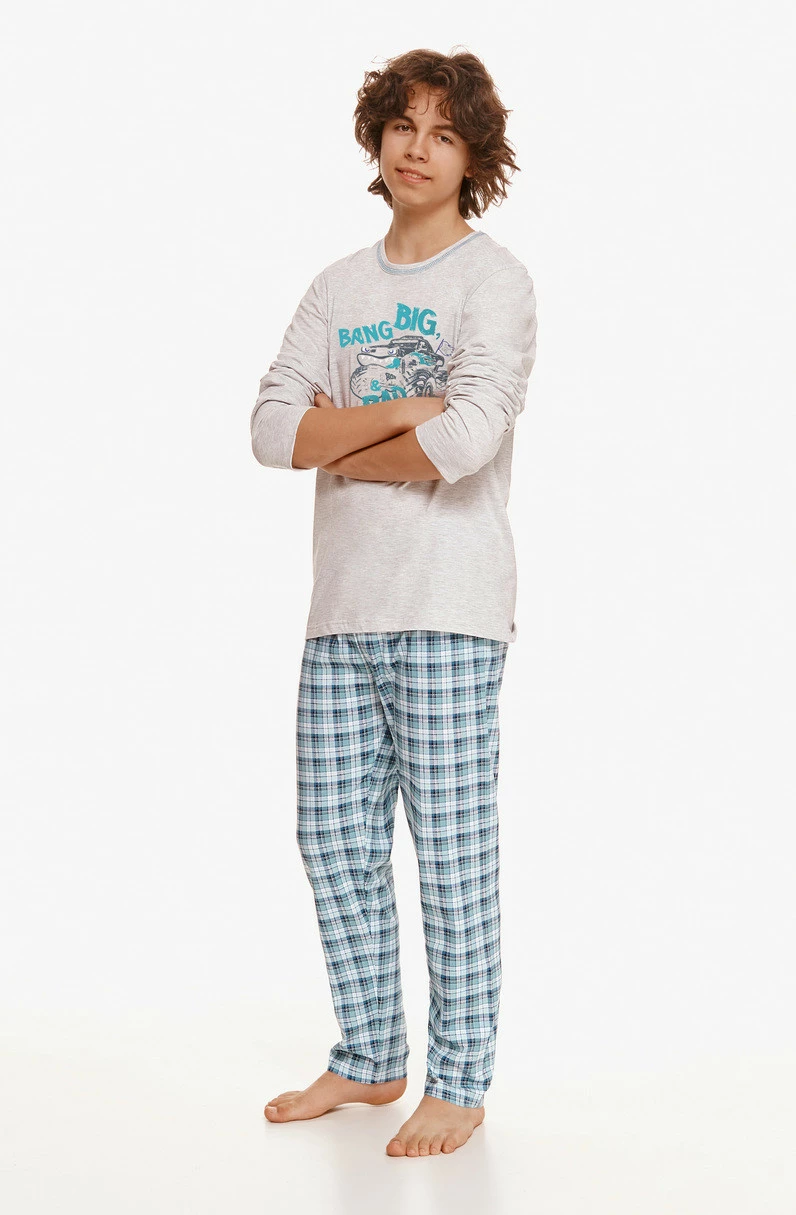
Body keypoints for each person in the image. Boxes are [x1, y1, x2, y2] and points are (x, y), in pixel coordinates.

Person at [251, 47, 538, 1158]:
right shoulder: (337, 287)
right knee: (332, 842)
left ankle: (458, 1083)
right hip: (341, 612)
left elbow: (469, 439)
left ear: (473, 158)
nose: (417, 148)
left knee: (452, 857)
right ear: (377, 137)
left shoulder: (494, 281)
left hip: (450, 608)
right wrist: (407, 410)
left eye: (443, 133)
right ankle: (371, 1056)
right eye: (403, 125)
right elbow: (270, 431)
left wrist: (344, 438)